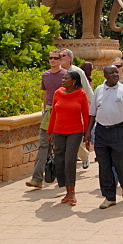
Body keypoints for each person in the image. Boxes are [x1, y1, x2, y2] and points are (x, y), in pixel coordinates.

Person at [87, 65, 123, 209]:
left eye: (117, 72)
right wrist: (88, 132)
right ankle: (109, 197)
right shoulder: (99, 90)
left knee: (120, 163)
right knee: (104, 165)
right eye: (112, 73)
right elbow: (93, 113)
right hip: (101, 131)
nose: (115, 75)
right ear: (105, 76)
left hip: (119, 130)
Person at [47, 69, 90, 206]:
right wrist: (50, 132)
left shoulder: (81, 94)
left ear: (74, 81)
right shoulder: (58, 93)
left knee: (70, 160)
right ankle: (66, 189)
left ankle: (72, 192)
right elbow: (53, 113)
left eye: (66, 78)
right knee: (60, 160)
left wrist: (87, 134)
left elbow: (86, 115)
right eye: (63, 78)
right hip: (58, 131)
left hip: (75, 132)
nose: (63, 80)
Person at [27, 50, 67, 188]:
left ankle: (64, 179)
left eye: (56, 58)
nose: (53, 60)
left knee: (61, 147)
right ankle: (37, 178)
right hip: (49, 113)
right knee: (44, 145)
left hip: (62, 113)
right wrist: (44, 110)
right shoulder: (45, 75)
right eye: (51, 58)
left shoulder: (66, 75)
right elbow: (45, 94)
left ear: (61, 60)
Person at [58, 49, 93, 169]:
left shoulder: (78, 72)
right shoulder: (57, 72)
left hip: (76, 108)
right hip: (61, 109)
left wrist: (92, 106)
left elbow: (87, 90)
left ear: (70, 58)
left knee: (75, 135)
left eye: (62, 56)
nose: (59, 58)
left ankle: (84, 156)